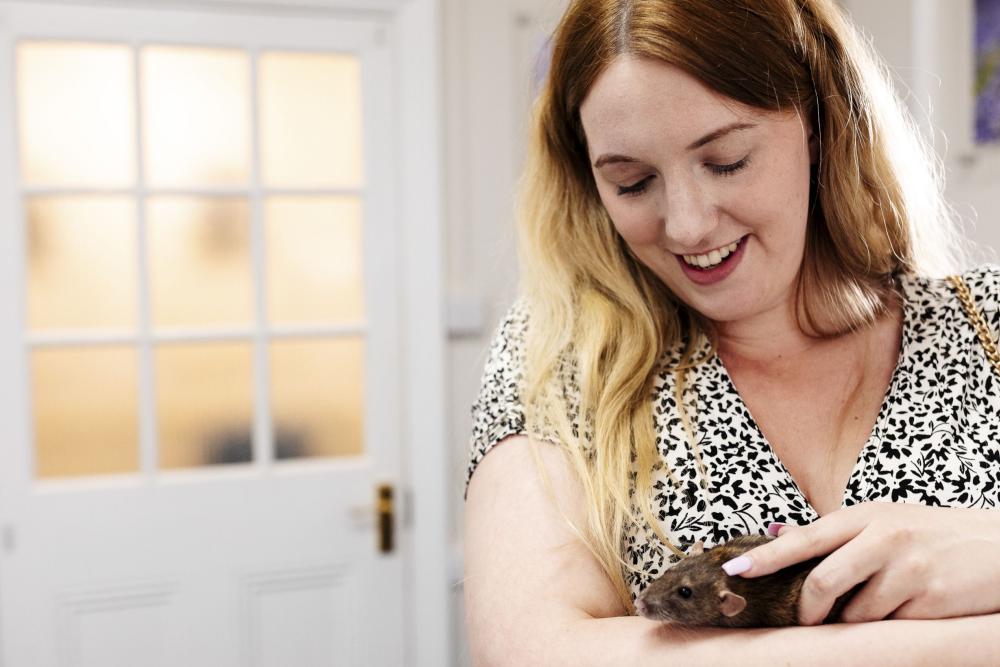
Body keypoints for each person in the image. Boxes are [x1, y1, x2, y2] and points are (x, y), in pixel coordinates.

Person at [463, 0, 1000, 664]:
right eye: (632, 182)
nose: (687, 226)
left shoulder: (987, 325)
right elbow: (534, 653)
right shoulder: (565, 359)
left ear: (816, 124)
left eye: (726, 161)